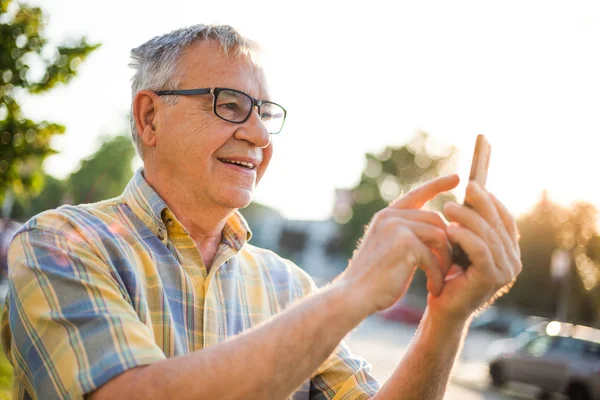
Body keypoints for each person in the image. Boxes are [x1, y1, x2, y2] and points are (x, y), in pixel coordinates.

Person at [0, 24, 521, 400]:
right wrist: (352, 291)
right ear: (150, 115)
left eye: (266, 113)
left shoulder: (288, 288)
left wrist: (446, 318)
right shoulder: (59, 244)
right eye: (230, 104)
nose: (259, 135)